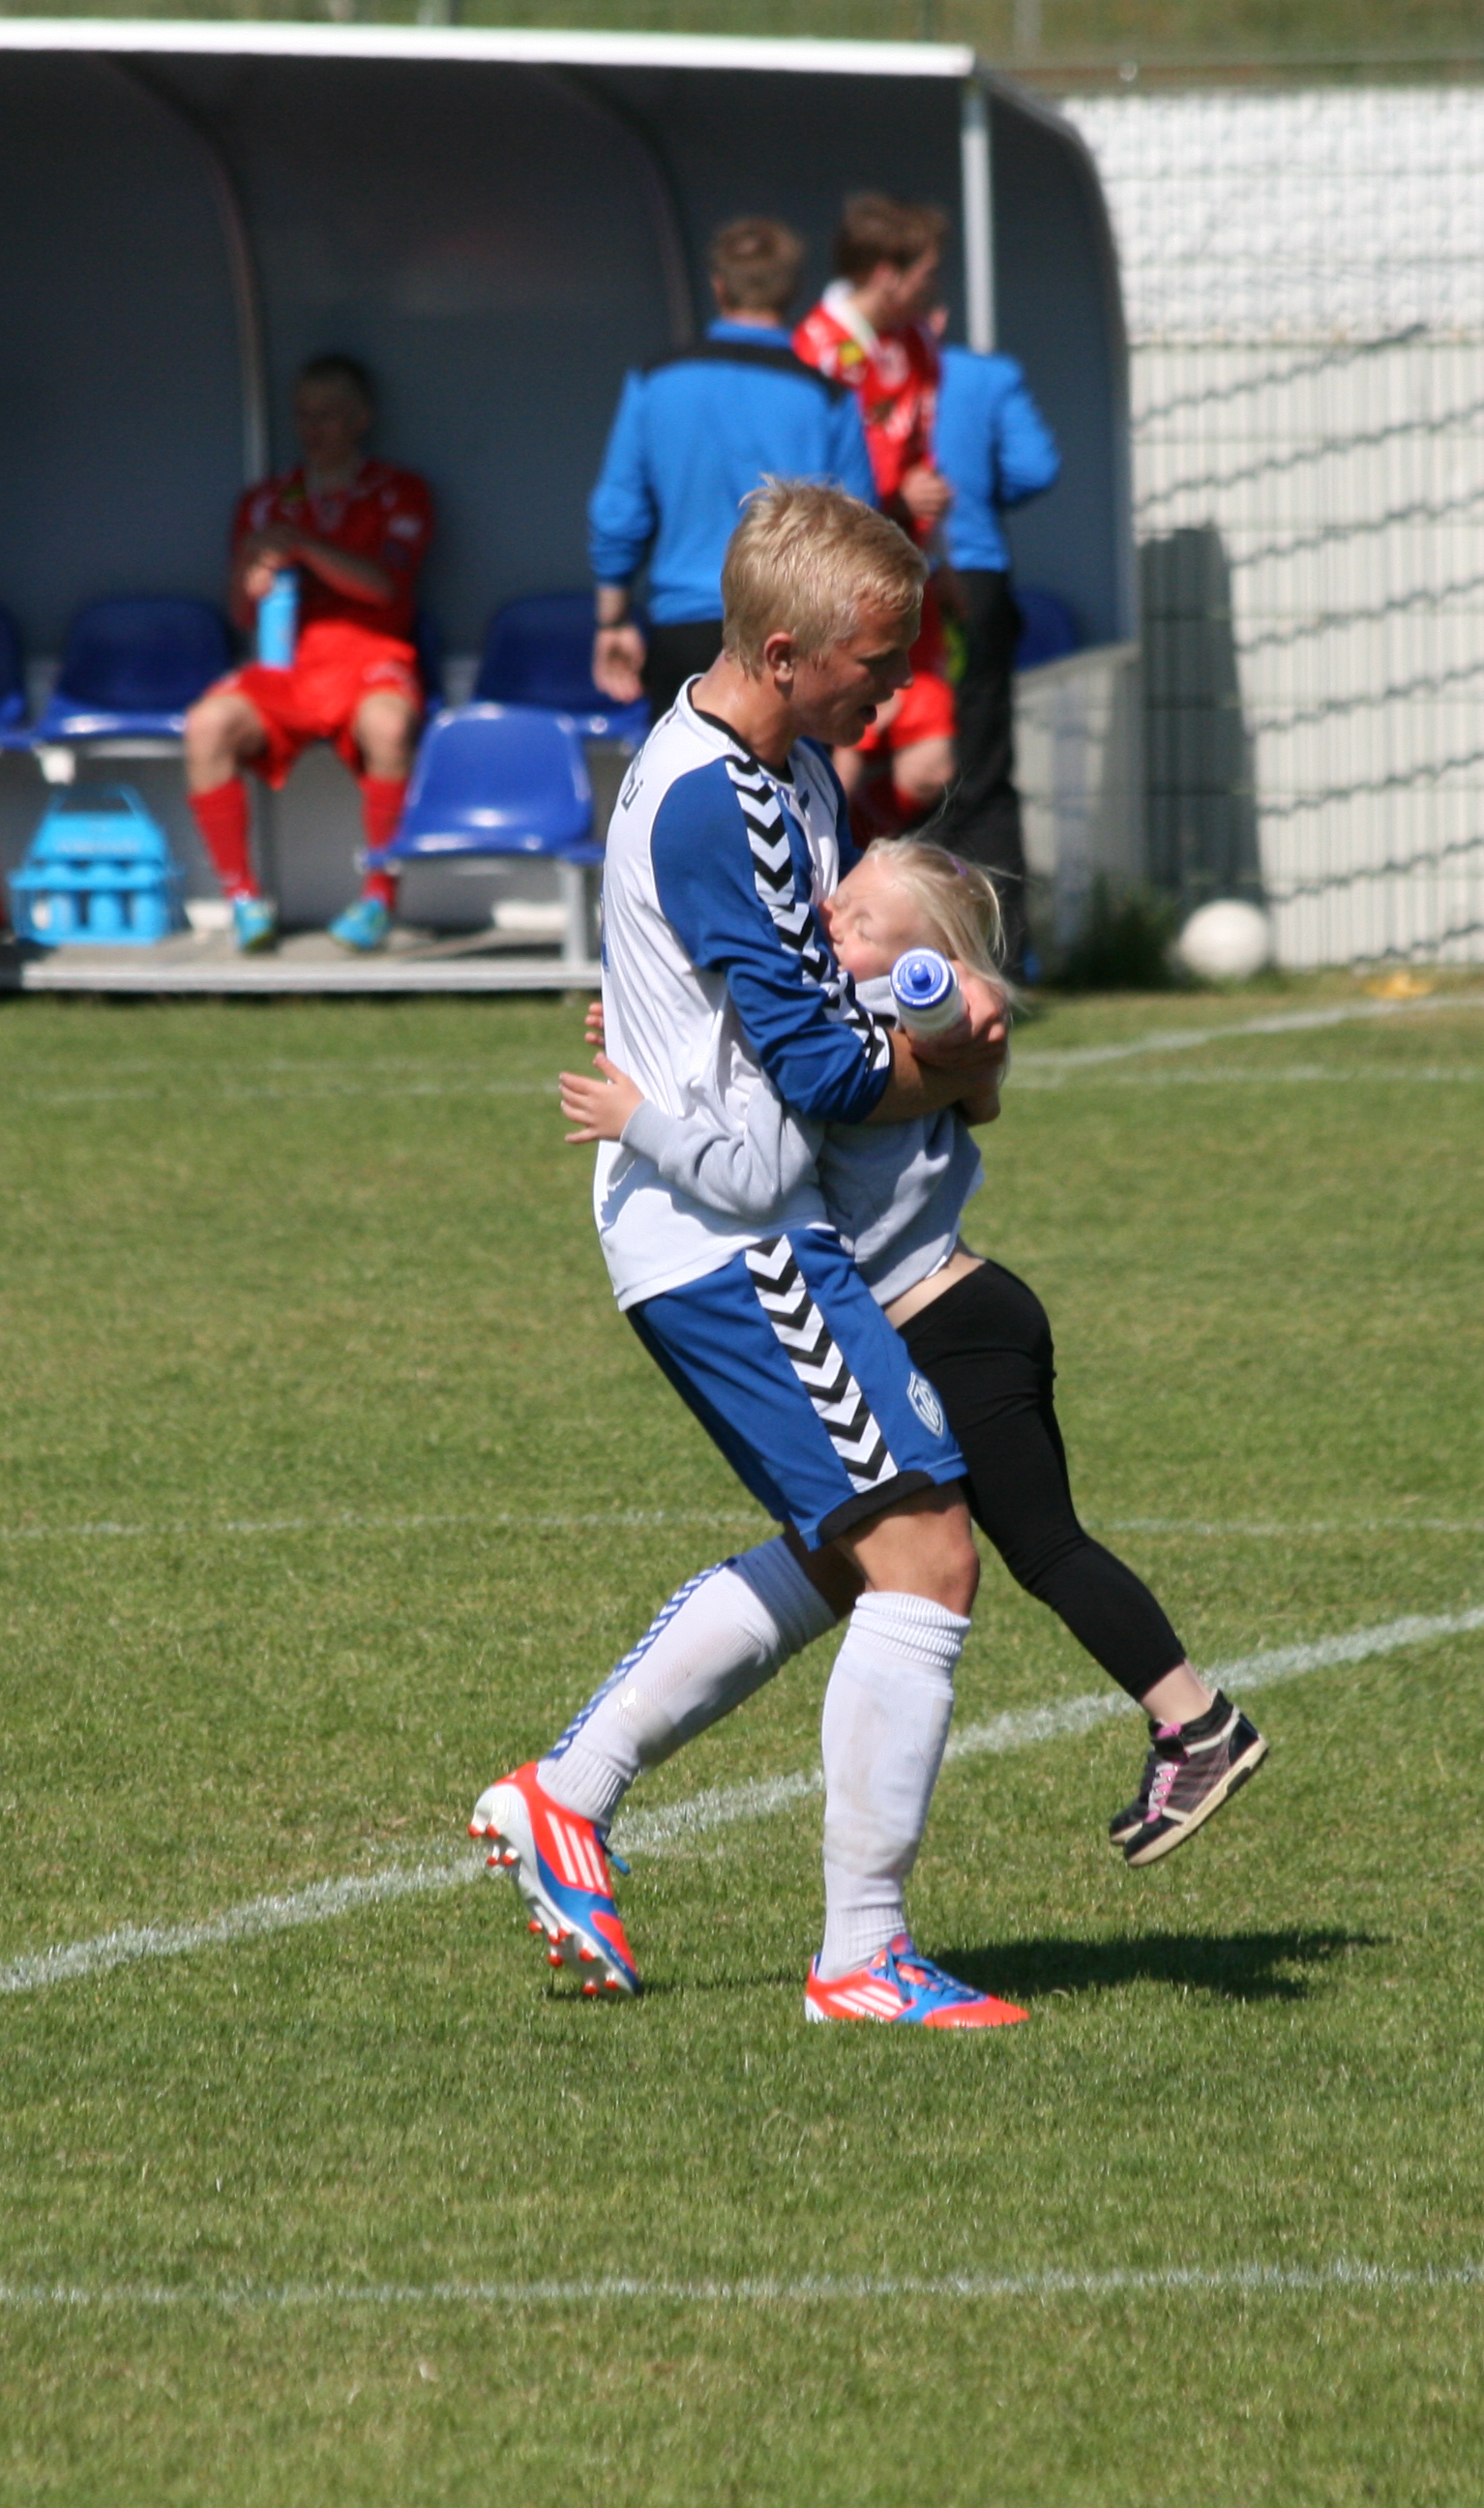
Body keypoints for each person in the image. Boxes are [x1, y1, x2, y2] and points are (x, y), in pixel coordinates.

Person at [470, 482, 1025, 2029]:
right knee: (926, 1552)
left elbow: (793, 1014)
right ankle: (861, 1957)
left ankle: (568, 1793)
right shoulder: (725, 800)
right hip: (731, 1237)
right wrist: (954, 1065)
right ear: (784, 655)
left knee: (853, 1552)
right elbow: (827, 1071)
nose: (895, 689)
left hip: (746, 1221)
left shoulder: (781, 770)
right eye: (874, 662)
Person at [556, 838, 1267, 1868]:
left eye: (860, 924)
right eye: (836, 903)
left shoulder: (863, 1022)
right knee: (847, 1555)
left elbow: (758, 1172)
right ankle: (589, 1777)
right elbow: (961, 1066)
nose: (829, 921)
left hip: (949, 1327)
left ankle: (1197, 1724)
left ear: (917, 961)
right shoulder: (867, 1014)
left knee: (1039, 1548)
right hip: (948, 1318)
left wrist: (639, 1122)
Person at [181, 354, 431, 956]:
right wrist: (253, 575)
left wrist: (306, 548)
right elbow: (242, 615)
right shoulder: (266, 502)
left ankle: (378, 897)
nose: (313, 428)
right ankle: (243, 901)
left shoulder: (401, 492)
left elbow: (385, 586)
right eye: (303, 415)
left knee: (388, 725)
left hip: (371, 657)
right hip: (287, 667)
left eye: (329, 414)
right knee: (205, 725)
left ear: (362, 418)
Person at [585, 218, 874, 722]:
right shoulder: (826, 396)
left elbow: (618, 509)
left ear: (718, 286)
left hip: (684, 624)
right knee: (791, 774)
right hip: (792, 631)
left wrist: (613, 619)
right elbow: (858, 527)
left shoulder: (655, 380)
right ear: (793, 290)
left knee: (690, 766)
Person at [794, 196, 959, 842]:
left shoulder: (917, 341)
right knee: (840, 750)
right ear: (888, 274)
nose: (935, 288)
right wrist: (894, 497)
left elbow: (922, 453)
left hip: (906, 574)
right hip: (841, 583)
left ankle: (863, 861)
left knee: (930, 766)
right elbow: (815, 488)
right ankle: (831, 869)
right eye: (926, 273)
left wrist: (939, 553)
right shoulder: (820, 349)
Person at [927, 342, 1062, 974]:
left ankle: (900, 952)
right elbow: (1035, 467)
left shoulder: (846, 367)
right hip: (973, 578)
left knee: (898, 777)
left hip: (885, 578)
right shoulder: (983, 376)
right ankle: (1000, 957)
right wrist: (976, 489)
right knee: (982, 777)